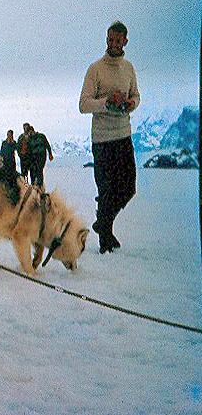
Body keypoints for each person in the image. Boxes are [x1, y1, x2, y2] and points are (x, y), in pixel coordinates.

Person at [79, 20, 140, 254]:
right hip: (102, 139)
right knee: (106, 190)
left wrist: (130, 103)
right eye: (110, 39)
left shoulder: (129, 68)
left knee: (128, 188)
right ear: (107, 39)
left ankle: (102, 223)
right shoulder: (95, 69)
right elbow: (83, 105)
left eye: (118, 40)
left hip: (123, 135)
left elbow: (136, 95)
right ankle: (106, 239)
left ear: (125, 41)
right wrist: (107, 102)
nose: (113, 44)